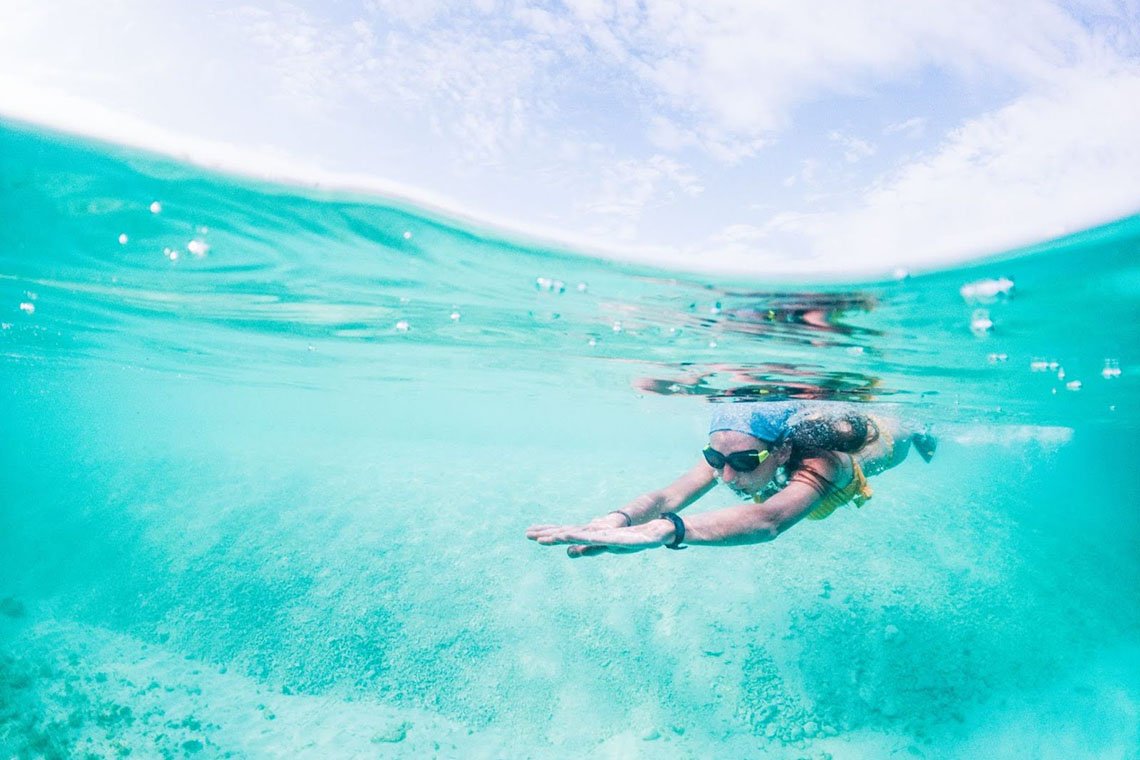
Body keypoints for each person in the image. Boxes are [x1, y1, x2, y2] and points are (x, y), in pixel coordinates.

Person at [526, 400, 936, 556]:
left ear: (783, 451)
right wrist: (619, 519)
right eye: (713, 458)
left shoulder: (823, 464)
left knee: (909, 430)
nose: (724, 475)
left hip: (892, 434)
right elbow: (670, 495)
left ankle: (922, 430)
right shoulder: (736, 450)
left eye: (741, 462)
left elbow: (767, 521)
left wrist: (665, 532)